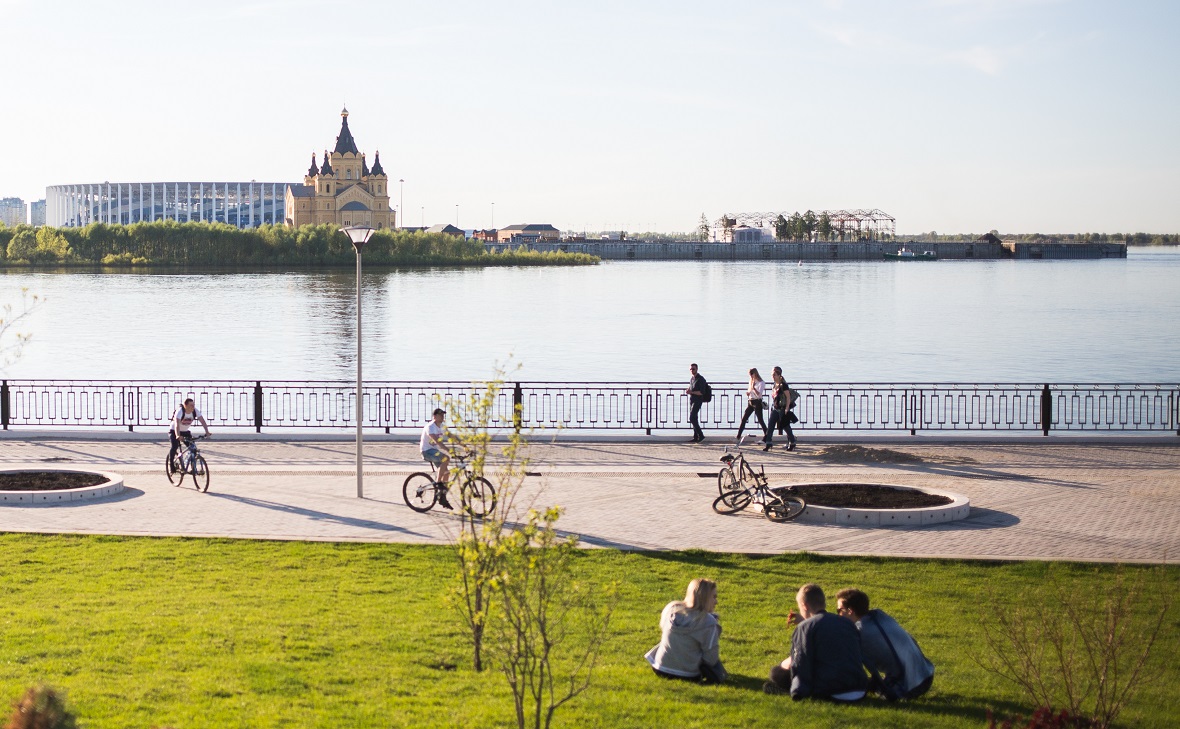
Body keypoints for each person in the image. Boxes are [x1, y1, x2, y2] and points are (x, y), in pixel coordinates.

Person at [765, 583, 868, 701]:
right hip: (859, 688)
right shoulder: (846, 623)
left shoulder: (805, 627)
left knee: (777, 673)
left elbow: (800, 663)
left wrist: (798, 691)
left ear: (804, 605)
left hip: (832, 690)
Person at [835, 588, 934, 701]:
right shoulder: (879, 615)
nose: (838, 615)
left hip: (911, 685)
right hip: (927, 673)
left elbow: (853, 665)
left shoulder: (859, 633)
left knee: (852, 686)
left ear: (850, 611)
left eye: (839, 610)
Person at [644, 578, 727, 684]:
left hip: (660, 668)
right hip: (688, 675)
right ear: (705, 597)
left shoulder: (671, 609)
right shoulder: (708, 621)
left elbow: (663, 628)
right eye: (714, 597)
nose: (716, 602)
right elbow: (711, 658)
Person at [420, 408, 453, 510]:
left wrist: (464, 446)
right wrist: (448, 450)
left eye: (443, 415)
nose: (442, 417)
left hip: (435, 452)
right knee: (446, 458)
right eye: (440, 415)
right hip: (427, 451)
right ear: (434, 417)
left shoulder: (442, 426)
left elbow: (452, 436)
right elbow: (437, 441)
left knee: (447, 473)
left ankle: (442, 497)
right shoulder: (430, 427)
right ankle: (438, 483)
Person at [168, 398, 210, 467]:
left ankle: (193, 468)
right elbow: (177, 424)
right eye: (191, 405)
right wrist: (178, 435)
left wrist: (207, 432)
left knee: (193, 448)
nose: (193, 407)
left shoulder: (195, 411)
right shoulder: (180, 411)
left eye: (193, 405)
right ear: (185, 405)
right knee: (174, 446)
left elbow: (202, 421)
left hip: (185, 432)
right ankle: (171, 464)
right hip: (174, 431)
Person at [763, 368, 796, 451]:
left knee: (786, 427)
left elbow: (788, 397)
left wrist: (787, 408)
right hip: (775, 408)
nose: (772, 376)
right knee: (770, 426)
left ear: (779, 375)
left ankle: (792, 442)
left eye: (774, 375)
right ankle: (768, 443)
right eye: (772, 375)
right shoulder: (774, 384)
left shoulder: (783, 385)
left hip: (782, 409)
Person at [735, 367, 768, 443]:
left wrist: (754, 388)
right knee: (744, 418)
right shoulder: (751, 381)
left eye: (751, 374)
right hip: (750, 401)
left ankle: (767, 436)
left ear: (755, 373)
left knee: (760, 420)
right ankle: (738, 435)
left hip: (757, 402)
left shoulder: (761, 382)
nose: (750, 376)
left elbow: (759, 395)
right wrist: (748, 392)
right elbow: (749, 391)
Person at [685, 363, 708, 443]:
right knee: (694, 418)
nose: (692, 370)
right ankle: (696, 436)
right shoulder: (692, 379)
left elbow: (702, 392)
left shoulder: (701, 379)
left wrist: (691, 392)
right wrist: (688, 390)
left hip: (698, 401)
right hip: (692, 400)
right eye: (690, 369)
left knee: (692, 418)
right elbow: (691, 387)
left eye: (693, 369)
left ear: (697, 369)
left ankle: (701, 435)